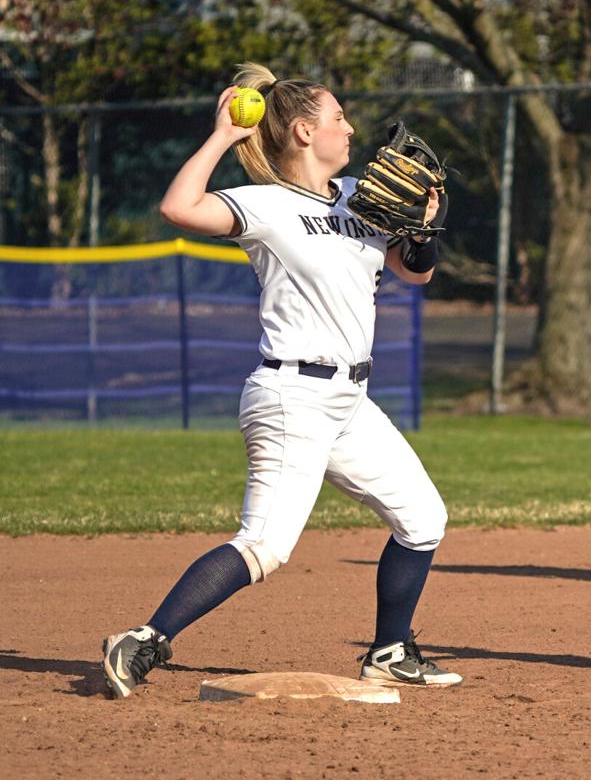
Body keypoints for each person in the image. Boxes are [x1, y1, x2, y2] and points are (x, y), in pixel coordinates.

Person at [100, 62, 460, 698]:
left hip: (349, 399)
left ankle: (391, 649)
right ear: (302, 131)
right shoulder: (265, 206)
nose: (350, 129)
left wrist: (424, 227)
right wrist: (222, 137)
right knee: (265, 545)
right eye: (338, 118)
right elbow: (178, 207)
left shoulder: (360, 196)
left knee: (423, 516)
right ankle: (144, 640)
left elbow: (415, 273)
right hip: (292, 395)